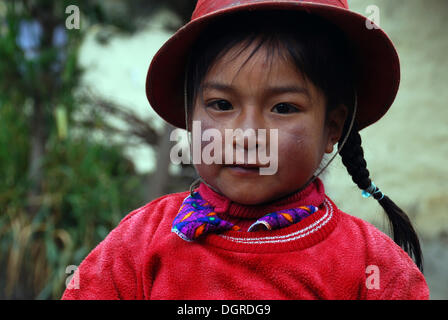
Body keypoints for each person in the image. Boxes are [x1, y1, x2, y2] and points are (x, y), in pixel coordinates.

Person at [62, 0, 429, 300]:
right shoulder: (138, 244)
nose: (247, 134)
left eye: (283, 107)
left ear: (332, 127)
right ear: (190, 117)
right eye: (221, 104)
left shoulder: (373, 267)